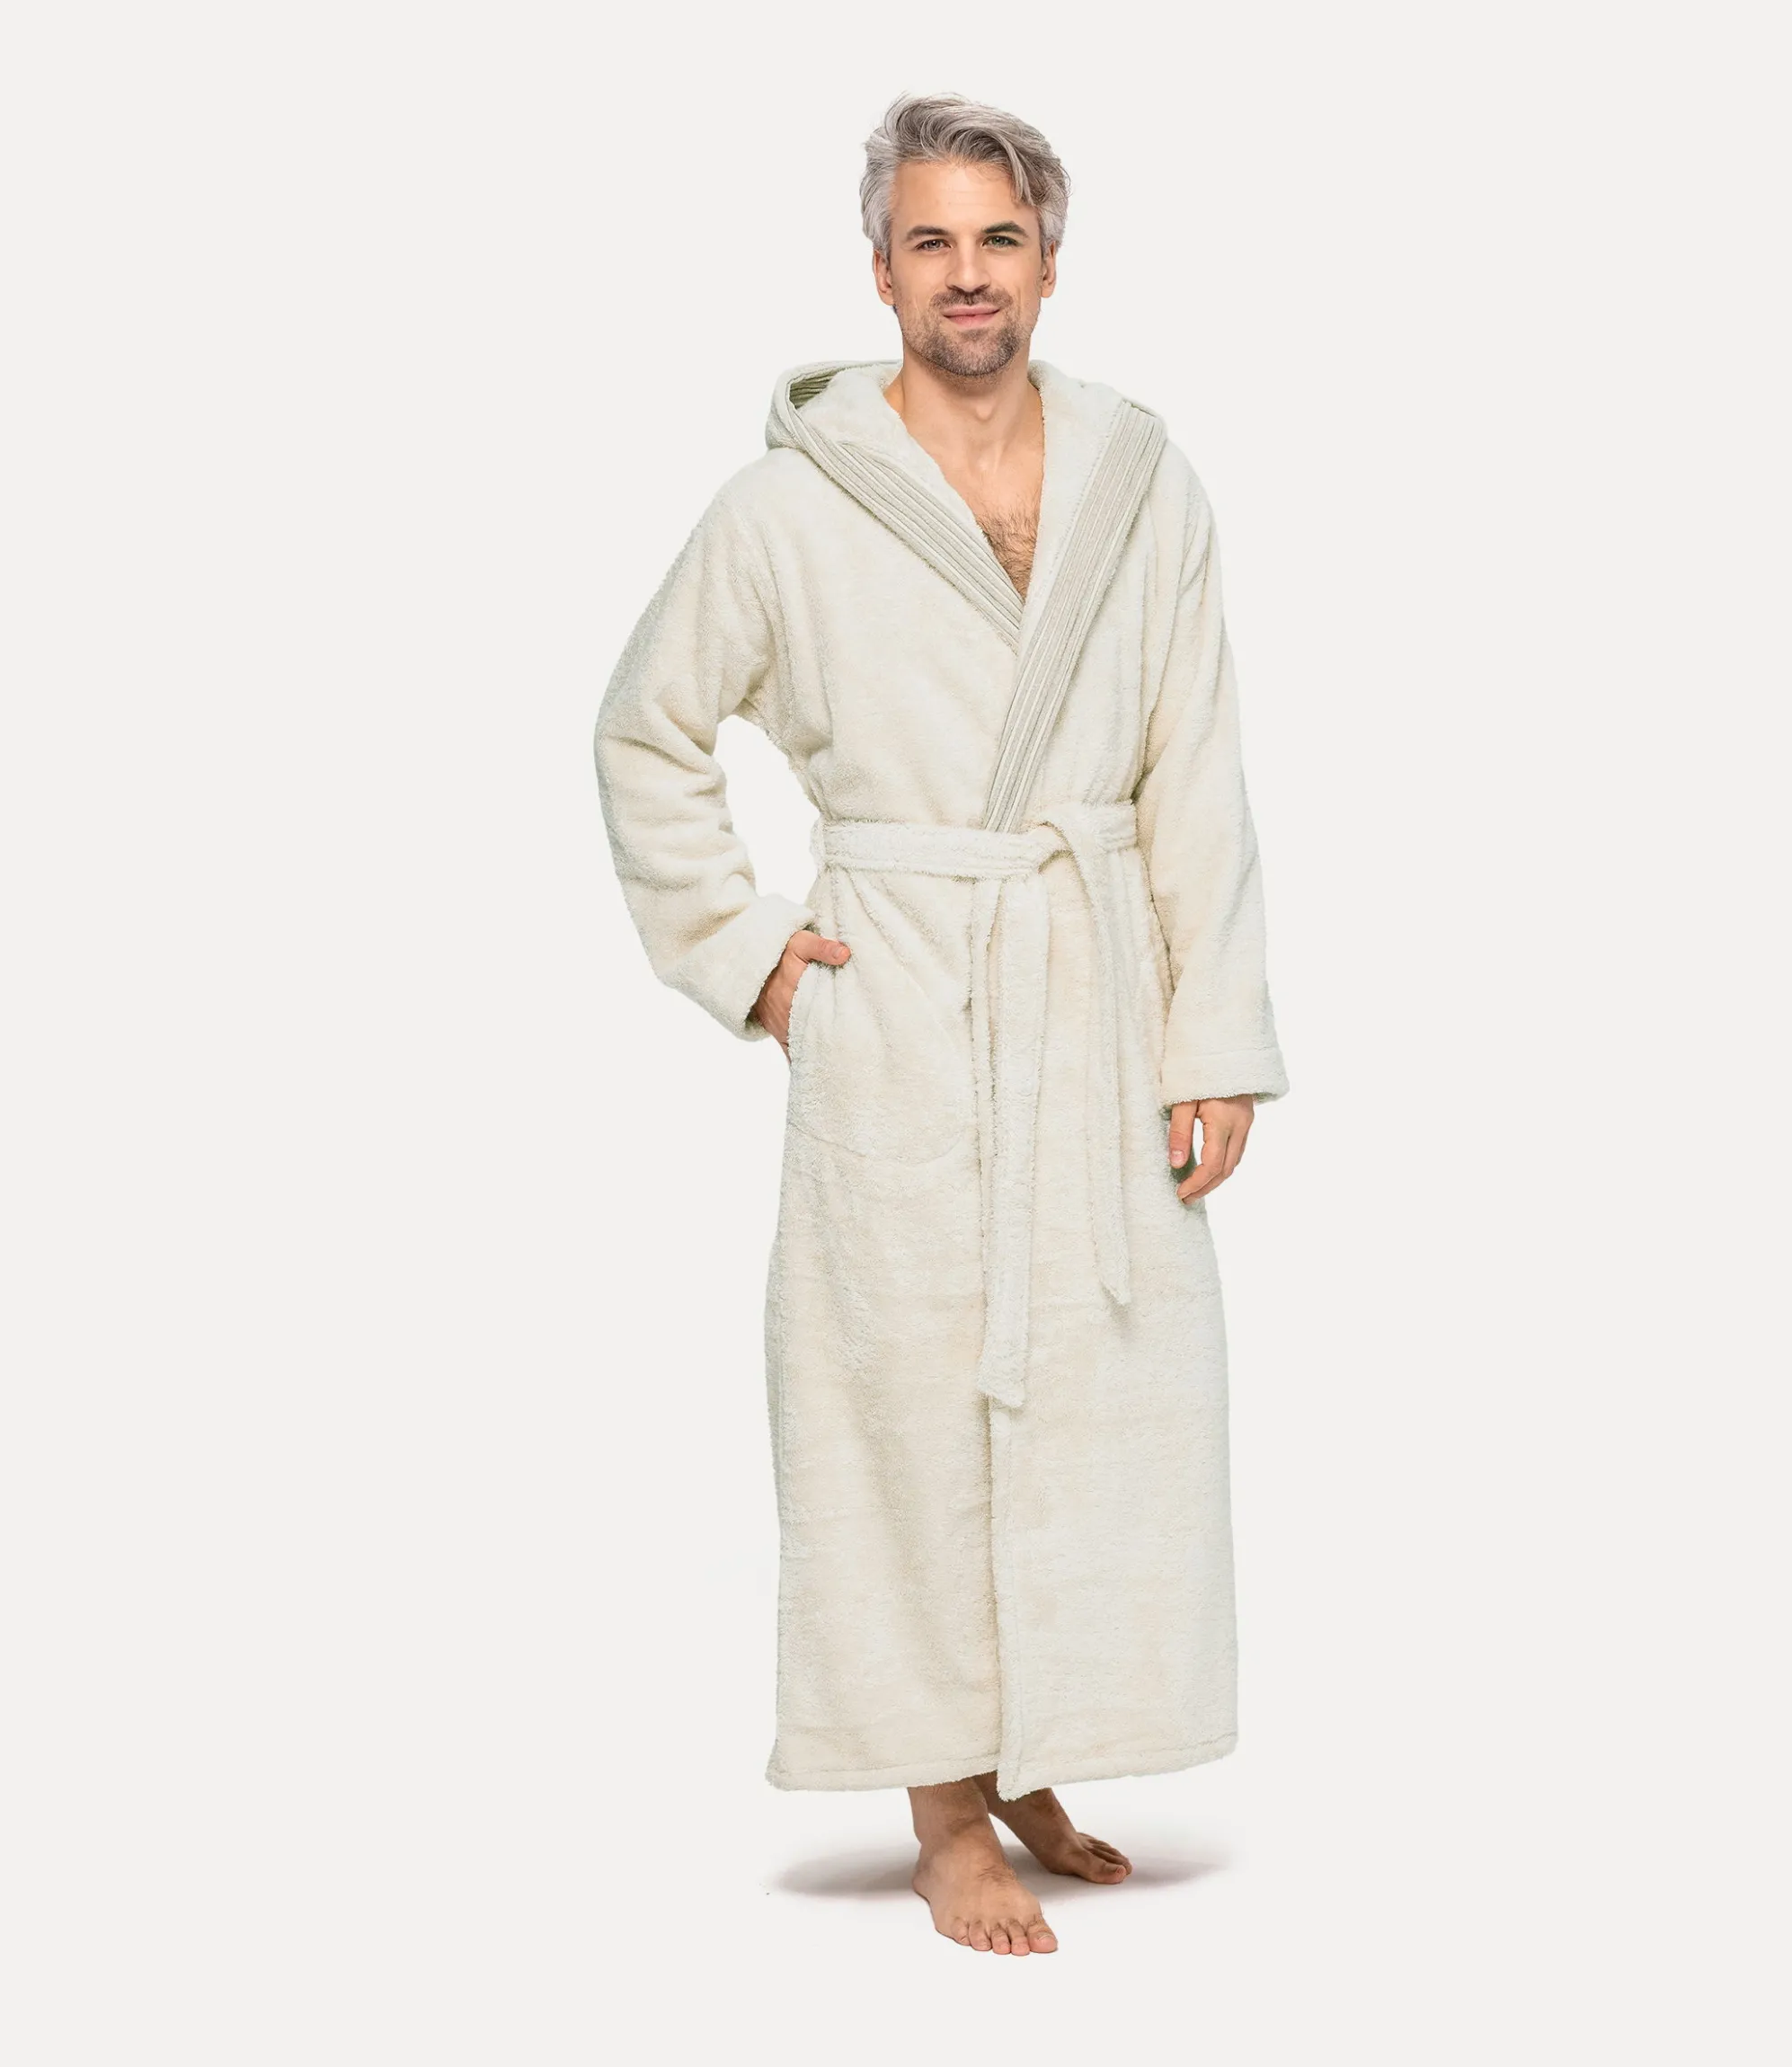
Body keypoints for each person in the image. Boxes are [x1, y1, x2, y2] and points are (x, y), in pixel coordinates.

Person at [593, 93, 1288, 1956]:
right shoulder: (789, 505)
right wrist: (748, 952)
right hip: (898, 995)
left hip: (1093, 988)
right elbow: (645, 730)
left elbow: (1195, 764)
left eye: (998, 239)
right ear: (881, 269)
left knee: (1102, 1391)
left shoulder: (1142, 482)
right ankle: (942, 1810)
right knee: (899, 1396)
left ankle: (1040, 1749)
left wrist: (1213, 1036)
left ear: (1048, 262)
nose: (965, 274)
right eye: (930, 241)